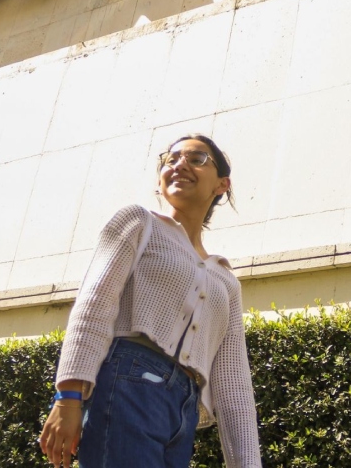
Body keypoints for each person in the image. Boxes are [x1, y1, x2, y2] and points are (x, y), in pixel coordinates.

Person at [40, 135, 263, 468]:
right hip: (127, 384)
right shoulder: (138, 222)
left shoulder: (226, 280)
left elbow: (234, 384)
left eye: (197, 159)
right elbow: (94, 305)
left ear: (222, 184)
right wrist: (68, 398)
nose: (179, 165)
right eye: (171, 160)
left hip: (184, 412)